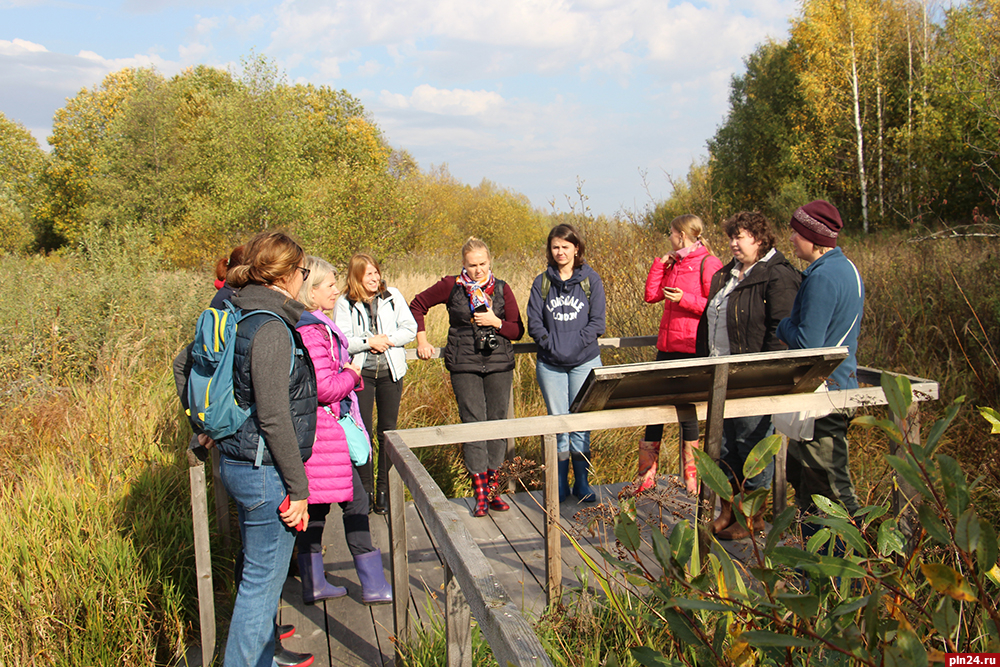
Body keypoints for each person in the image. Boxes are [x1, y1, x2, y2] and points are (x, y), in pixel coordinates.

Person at [177, 230, 317, 667]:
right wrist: (298, 489)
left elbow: (184, 362)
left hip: (237, 462)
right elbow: (275, 418)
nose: (304, 279)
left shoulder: (232, 308)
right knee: (261, 587)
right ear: (289, 274)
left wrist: (204, 423)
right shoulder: (271, 326)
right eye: (303, 271)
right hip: (265, 472)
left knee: (256, 579)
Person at [695, 211, 801, 540]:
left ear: (759, 238)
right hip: (720, 374)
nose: (732, 243)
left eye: (739, 237)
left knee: (751, 446)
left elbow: (779, 330)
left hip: (752, 378)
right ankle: (727, 511)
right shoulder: (728, 274)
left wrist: (762, 375)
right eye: (731, 237)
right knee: (725, 447)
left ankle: (752, 518)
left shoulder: (776, 275)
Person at [296, 256, 393, 606]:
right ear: (312, 291)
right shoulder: (311, 329)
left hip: (319, 435)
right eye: (330, 285)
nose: (337, 290)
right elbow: (324, 388)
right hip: (325, 434)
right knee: (356, 503)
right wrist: (352, 374)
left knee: (318, 508)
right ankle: (373, 584)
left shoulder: (312, 324)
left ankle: (314, 583)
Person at [409, 237, 525, 517]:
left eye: (483, 264)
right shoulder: (451, 286)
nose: (478, 270)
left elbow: (517, 330)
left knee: (497, 425)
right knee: (473, 424)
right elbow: (417, 305)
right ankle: (480, 494)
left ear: (490, 261)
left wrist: (496, 322)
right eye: (472, 265)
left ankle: (495, 490)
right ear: (463, 264)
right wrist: (421, 340)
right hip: (464, 364)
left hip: (498, 365)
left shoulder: (502, 289)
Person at [777, 200, 865, 532]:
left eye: (796, 233)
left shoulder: (822, 278)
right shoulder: (846, 270)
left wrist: (783, 326)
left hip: (824, 396)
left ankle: (856, 569)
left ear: (814, 238)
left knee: (828, 491)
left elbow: (807, 345)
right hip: (836, 388)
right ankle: (815, 568)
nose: (791, 239)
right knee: (808, 482)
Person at [635, 214, 722, 497]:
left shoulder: (709, 263)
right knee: (655, 408)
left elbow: (717, 306)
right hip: (667, 346)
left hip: (690, 346)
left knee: (688, 413)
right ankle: (646, 478)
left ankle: (692, 480)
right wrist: (660, 264)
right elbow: (651, 296)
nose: (669, 238)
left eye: (671, 233)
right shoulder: (676, 263)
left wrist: (683, 298)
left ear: (681, 235)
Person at [526, 224, 606, 503]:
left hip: (584, 362)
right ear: (550, 250)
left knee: (581, 423)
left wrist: (572, 345)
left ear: (576, 249)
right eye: (555, 247)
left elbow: (598, 323)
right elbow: (534, 323)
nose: (560, 252)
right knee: (558, 424)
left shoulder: (590, 280)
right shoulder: (542, 282)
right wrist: (551, 344)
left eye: (565, 246)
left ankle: (582, 483)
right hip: (550, 365)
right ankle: (559, 483)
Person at [335, 254, 417, 515]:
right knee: (363, 432)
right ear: (356, 276)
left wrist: (388, 340)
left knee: (388, 432)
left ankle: (384, 491)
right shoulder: (344, 303)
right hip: (360, 376)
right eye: (368, 274)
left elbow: (410, 328)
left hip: (391, 373)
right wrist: (369, 343)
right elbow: (342, 339)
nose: (374, 278)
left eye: (376, 272)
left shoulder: (391, 296)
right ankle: (364, 490)